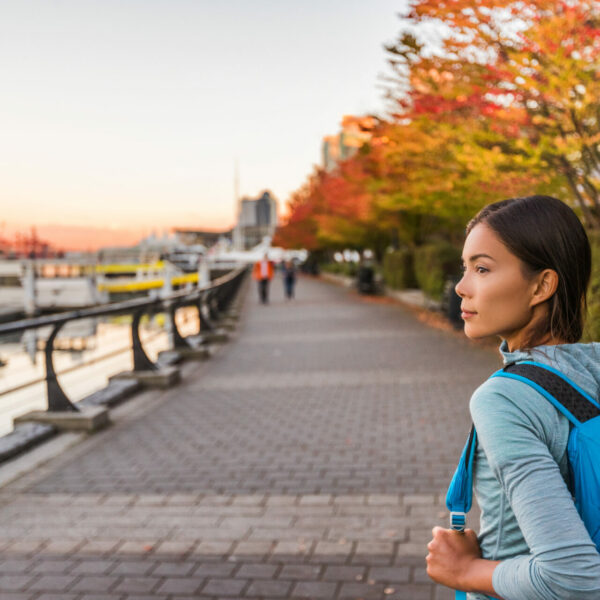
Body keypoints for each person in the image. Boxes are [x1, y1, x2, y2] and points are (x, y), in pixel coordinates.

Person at [426, 196, 600, 599]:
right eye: (464, 268)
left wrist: (465, 570)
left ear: (541, 285)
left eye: (482, 269)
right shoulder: (592, 367)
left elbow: (573, 577)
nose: (461, 287)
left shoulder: (504, 399)